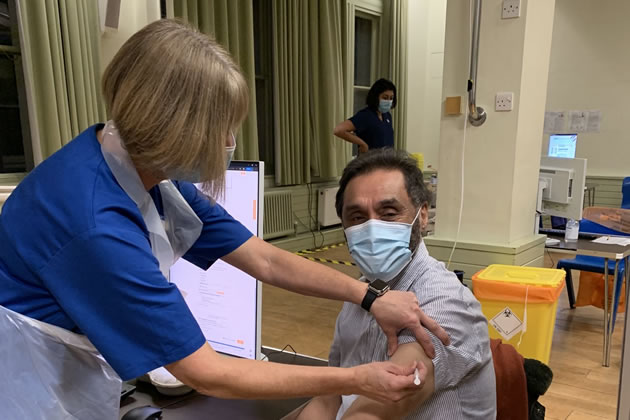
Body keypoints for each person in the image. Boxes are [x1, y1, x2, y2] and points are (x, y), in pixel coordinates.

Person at [0, 20, 449, 418]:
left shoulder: (140, 169)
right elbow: (206, 372)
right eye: (223, 127)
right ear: (175, 127)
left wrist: (368, 297)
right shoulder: (95, 223)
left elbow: (264, 260)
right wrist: (354, 378)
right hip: (29, 389)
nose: (230, 142)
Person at [288, 149, 496, 419]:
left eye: (388, 213)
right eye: (358, 217)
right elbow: (331, 396)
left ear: (422, 215)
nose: (373, 229)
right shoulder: (361, 295)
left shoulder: (445, 301)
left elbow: (373, 411)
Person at [333, 79, 396, 153]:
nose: (388, 101)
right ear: (376, 97)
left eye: (391, 98)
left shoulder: (387, 116)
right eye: (385, 98)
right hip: (370, 161)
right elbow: (338, 130)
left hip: (386, 161)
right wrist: (362, 144)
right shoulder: (366, 115)